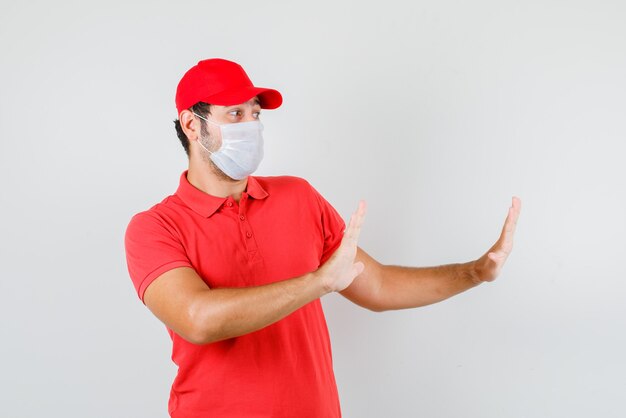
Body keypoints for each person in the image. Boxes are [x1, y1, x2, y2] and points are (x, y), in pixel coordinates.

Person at [124, 58, 521, 418]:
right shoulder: (155, 228)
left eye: (255, 114)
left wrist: (474, 272)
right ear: (193, 125)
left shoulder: (297, 197)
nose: (251, 126)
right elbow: (198, 320)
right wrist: (318, 282)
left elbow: (379, 285)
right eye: (235, 114)